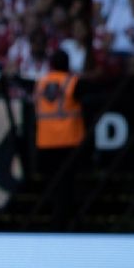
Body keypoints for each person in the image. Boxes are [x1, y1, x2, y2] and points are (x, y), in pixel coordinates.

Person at [33, 50, 86, 230]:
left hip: (46, 141)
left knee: (52, 186)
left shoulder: (41, 82)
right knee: (68, 186)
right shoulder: (72, 82)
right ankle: (65, 223)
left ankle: (54, 222)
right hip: (69, 140)